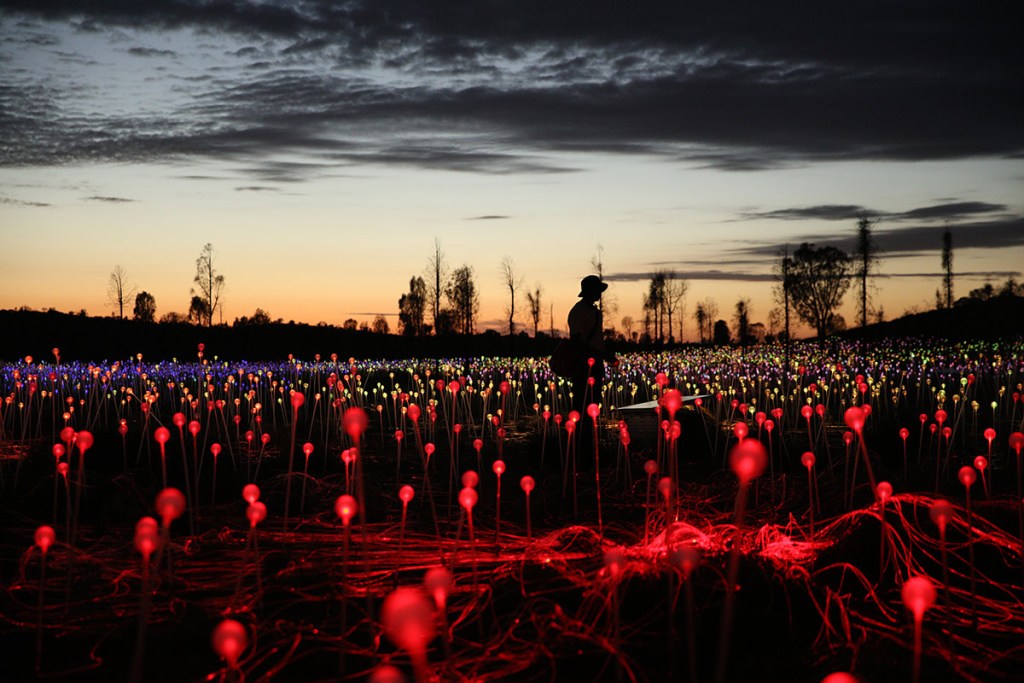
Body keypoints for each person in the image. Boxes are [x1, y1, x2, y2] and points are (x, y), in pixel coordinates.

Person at [568, 275, 617, 458]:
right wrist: (602, 355)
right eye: (597, 290)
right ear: (589, 291)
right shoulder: (578, 312)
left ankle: (589, 445)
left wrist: (604, 355)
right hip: (583, 366)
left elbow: (596, 341)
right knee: (582, 405)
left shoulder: (595, 312)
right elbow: (577, 342)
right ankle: (579, 448)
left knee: (594, 403)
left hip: (596, 365)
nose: (599, 294)